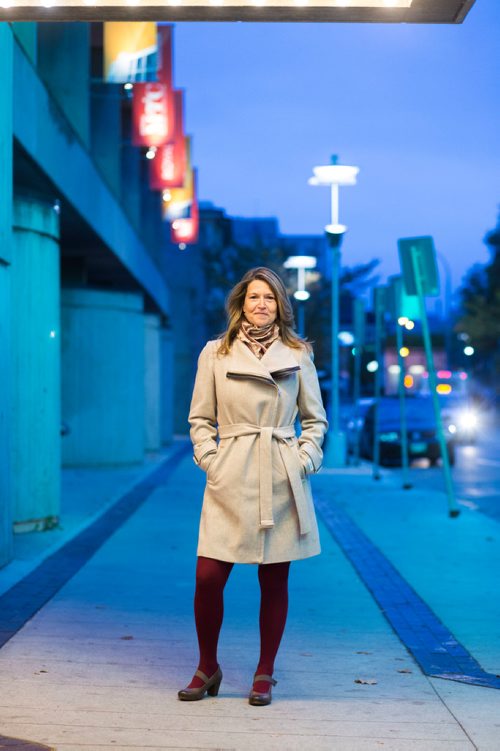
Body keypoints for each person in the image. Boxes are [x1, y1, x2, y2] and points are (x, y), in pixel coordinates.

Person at [178, 267, 328, 706]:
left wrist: (302, 461)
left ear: (281, 305)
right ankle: (208, 666)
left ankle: (264, 672)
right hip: (232, 472)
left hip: (279, 472)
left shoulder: (298, 353)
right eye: (253, 297)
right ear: (240, 304)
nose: (261, 304)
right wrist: (211, 459)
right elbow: (200, 418)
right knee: (208, 576)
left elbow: (315, 420)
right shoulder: (216, 353)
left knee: (274, 578)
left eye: (269, 297)